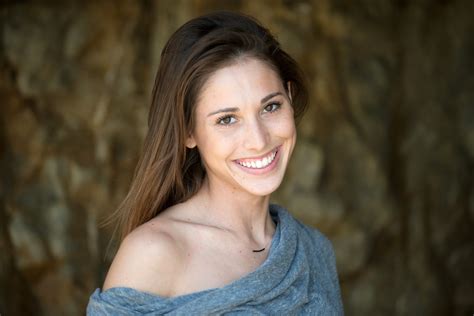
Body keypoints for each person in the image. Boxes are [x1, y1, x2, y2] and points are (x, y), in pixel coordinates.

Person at [87, 11, 343, 315]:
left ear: (289, 97)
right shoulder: (154, 253)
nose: (258, 140)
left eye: (270, 106)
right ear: (188, 132)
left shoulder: (314, 251)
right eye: (227, 119)